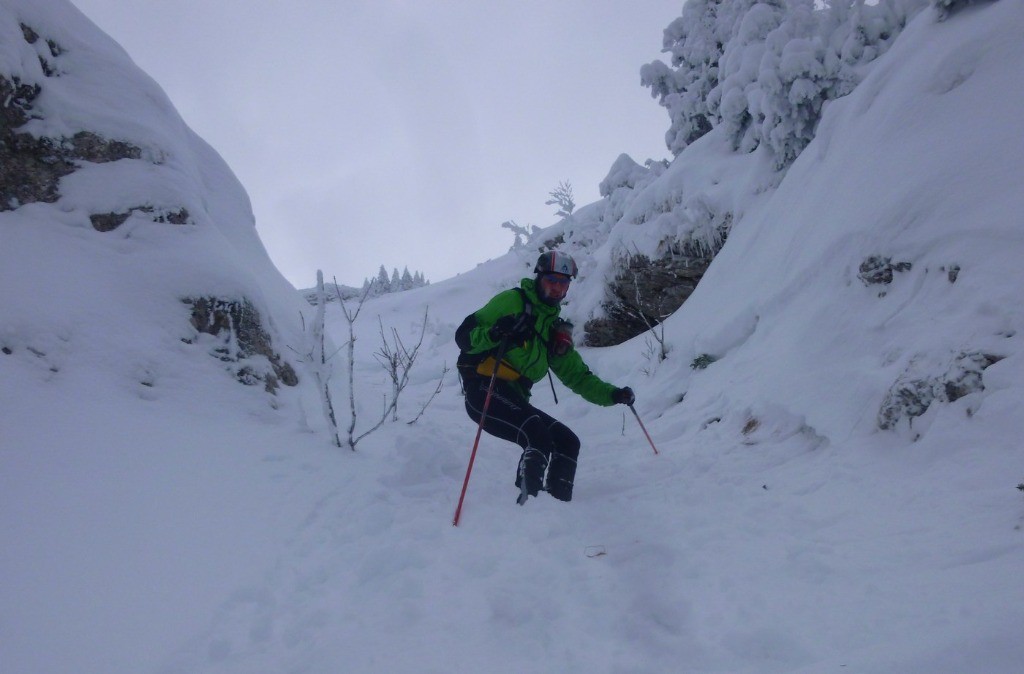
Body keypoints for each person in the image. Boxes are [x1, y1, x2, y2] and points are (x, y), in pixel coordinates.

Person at [455, 251, 635, 504]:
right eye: (552, 280)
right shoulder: (512, 302)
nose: (557, 288)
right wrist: (495, 332)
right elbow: (464, 336)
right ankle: (527, 506)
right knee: (536, 435)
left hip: (515, 397)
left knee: (567, 442)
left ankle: (557, 507)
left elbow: (577, 376)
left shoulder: (553, 329)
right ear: (539, 278)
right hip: (484, 389)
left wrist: (613, 394)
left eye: (564, 282)